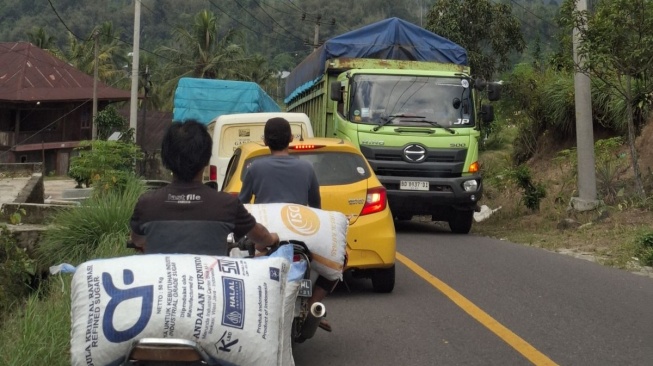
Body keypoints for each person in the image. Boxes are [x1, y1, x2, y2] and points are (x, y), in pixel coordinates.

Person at [239, 117, 337, 333]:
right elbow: (316, 209)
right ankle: (313, 304)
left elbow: (242, 207)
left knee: (242, 261)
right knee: (340, 260)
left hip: (266, 240)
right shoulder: (306, 169)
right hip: (302, 240)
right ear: (291, 139)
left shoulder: (255, 168)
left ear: (265, 141)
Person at [130, 119, 279, 255]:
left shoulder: (146, 204)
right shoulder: (227, 204)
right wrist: (272, 238)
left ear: (166, 159)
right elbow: (260, 236)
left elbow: (137, 240)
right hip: (211, 283)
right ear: (206, 159)